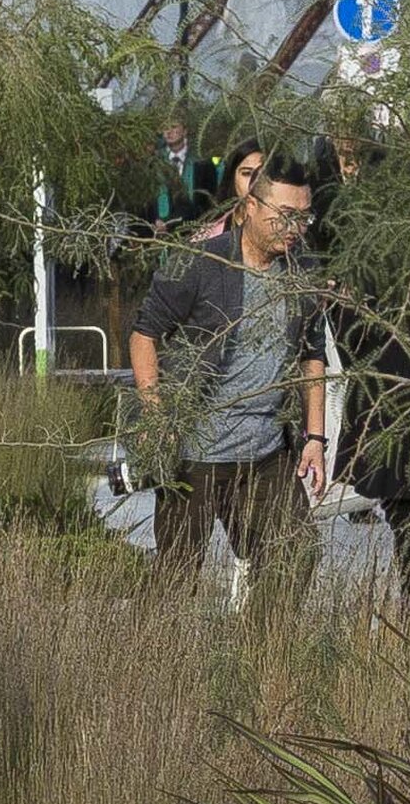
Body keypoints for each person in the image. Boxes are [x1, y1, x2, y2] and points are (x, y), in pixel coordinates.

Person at [129, 145, 332, 567]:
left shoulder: (303, 272)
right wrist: (156, 413)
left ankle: (263, 635)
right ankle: (159, 636)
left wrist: (315, 438)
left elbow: (313, 354)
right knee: (177, 574)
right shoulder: (202, 262)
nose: (294, 227)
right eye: (285, 214)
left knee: (294, 557)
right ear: (252, 205)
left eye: (304, 217)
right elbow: (144, 333)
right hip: (194, 452)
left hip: (266, 455)